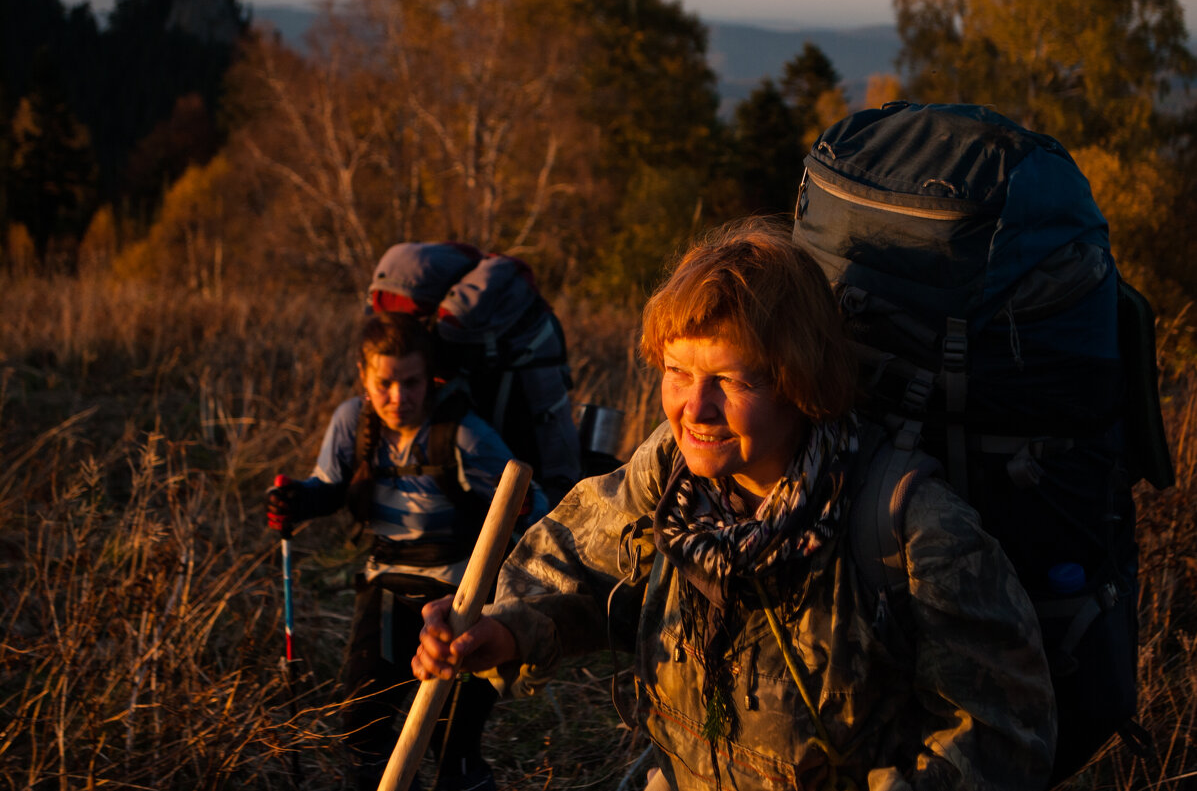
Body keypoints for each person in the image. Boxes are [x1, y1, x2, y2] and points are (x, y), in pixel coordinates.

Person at [412, 217, 1057, 791]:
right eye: (677, 373)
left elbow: (1001, 737)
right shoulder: (669, 476)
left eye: (729, 379)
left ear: (797, 380)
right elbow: (581, 573)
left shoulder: (907, 529)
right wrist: (499, 630)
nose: (694, 409)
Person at [267, 311, 546, 791]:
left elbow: (531, 507)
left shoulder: (465, 433)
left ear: (430, 377)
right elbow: (328, 488)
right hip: (386, 588)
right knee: (362, 730)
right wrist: (296, 501)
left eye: (412, 382)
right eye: (385, 383)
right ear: (364, 375)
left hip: (461, 596)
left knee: (451, 749)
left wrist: (521, 512)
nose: (398, 398)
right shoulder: (351, 421)